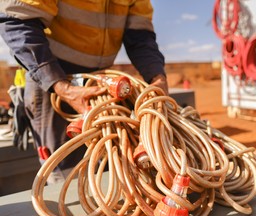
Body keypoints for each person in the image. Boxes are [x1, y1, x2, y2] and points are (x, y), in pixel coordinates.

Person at [0, 0, 168, 182]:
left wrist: (157, 77)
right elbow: (17, 21)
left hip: (98, 83)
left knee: (111, 161)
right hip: (51, 80)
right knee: (65, 169)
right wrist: (62, 87)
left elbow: (140, 37)